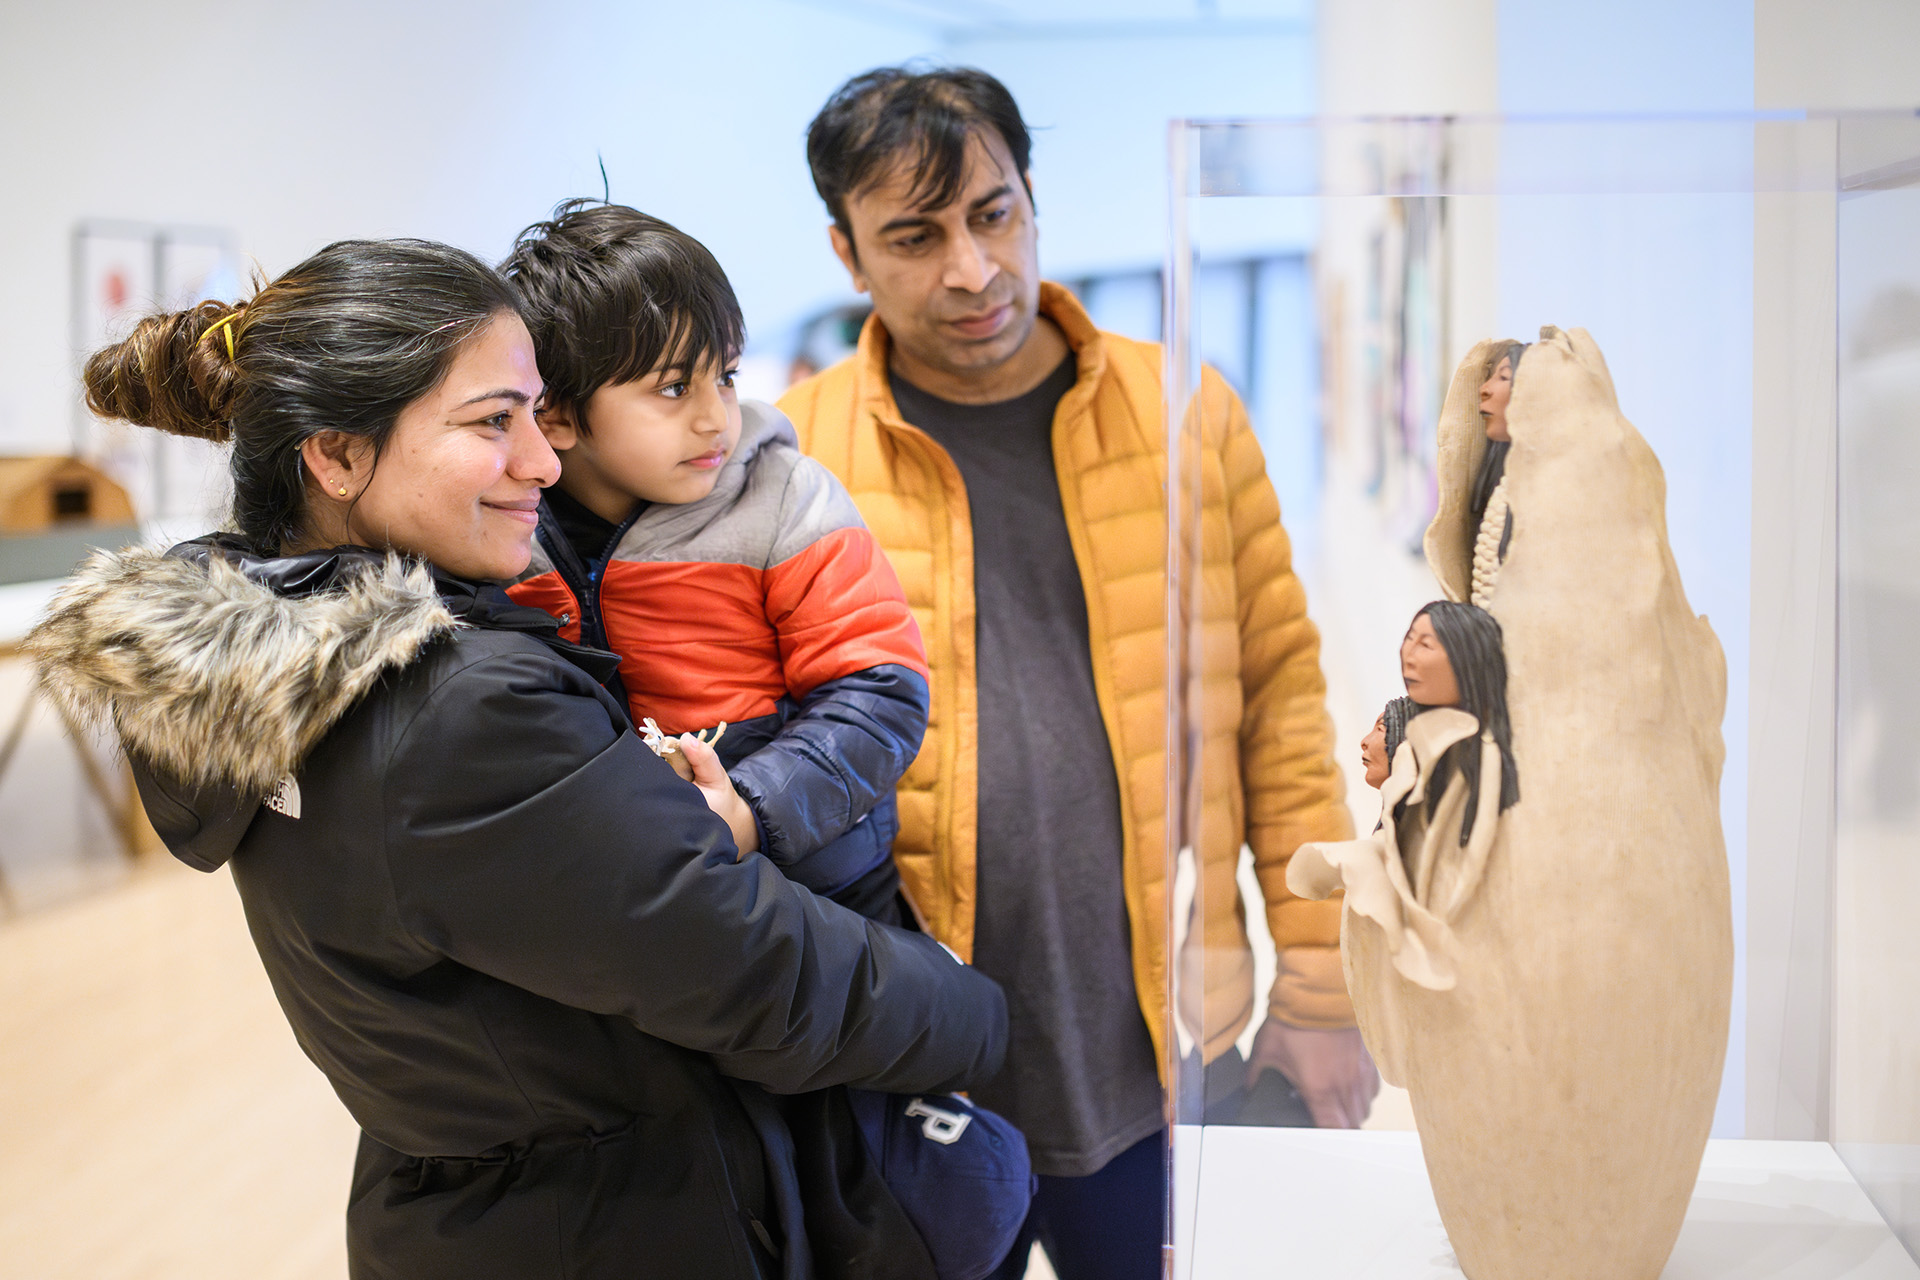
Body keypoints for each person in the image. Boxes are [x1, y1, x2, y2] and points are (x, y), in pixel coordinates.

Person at [26, 238, 1007, 1280]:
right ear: (337, 454)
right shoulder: (455, 708)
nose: (542, 459)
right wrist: (969, 1008)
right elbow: (741, 963)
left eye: (537, 415)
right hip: (614, 1220)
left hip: (463, 1202)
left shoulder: (262, 669)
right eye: (492, 421)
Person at [780, 67, 1378, 1279]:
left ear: (1032, 199)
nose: (971, 268)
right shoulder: (798, 457)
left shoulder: (1185, 410)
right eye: (914, 235)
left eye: (993, 214)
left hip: (1153, 1045)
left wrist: (1318, 987)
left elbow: (1280, 709)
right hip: (917, 1071)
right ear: (847, 253)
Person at [498, 201, 1033, 1280]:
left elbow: (880, 691)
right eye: (671, 388)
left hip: (826, 896)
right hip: (650, 937)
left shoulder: (784, 497)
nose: (718, 419)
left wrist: (758, 806)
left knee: (893, 1195)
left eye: (726, 375)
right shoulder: (512, 534)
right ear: (556, 416)